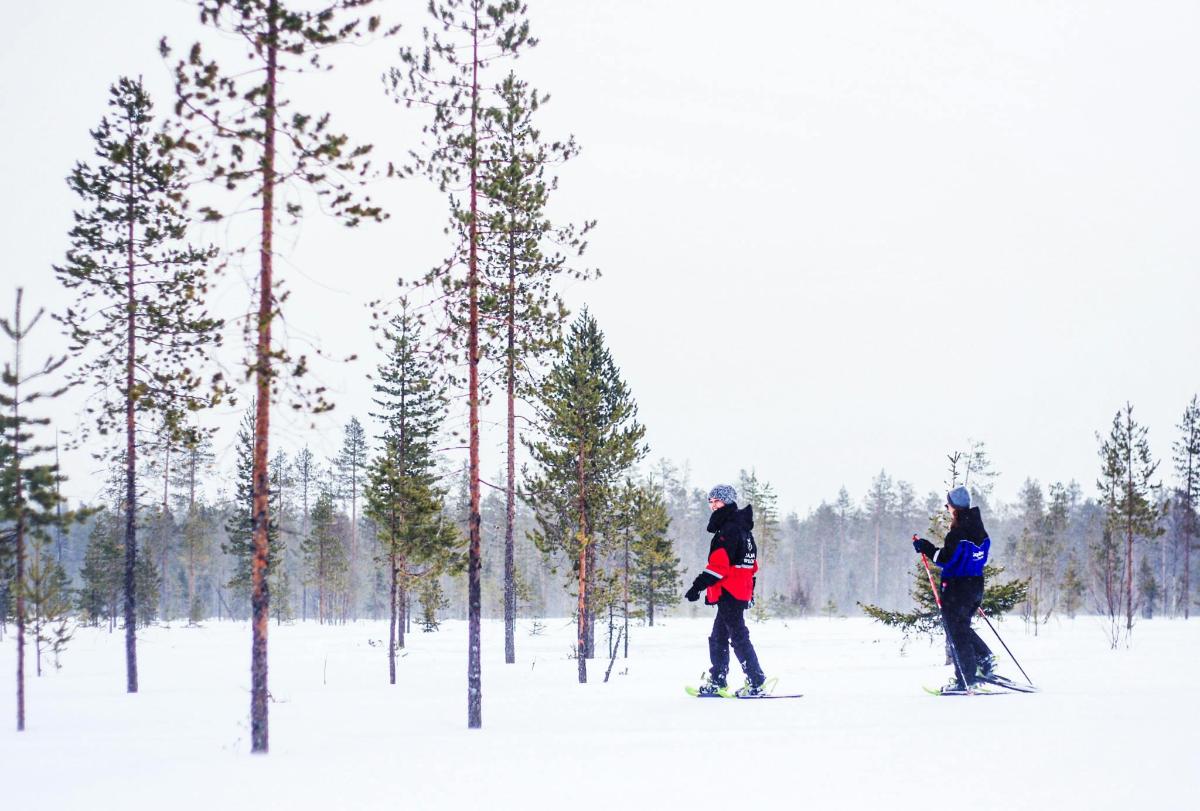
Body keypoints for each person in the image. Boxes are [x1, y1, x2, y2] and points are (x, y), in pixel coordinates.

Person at [912, 485, 996, 693]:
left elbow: (945, 559)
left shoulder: (958, 533)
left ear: (954, 507)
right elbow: (979, 557)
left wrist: (926, 547)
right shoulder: (979, 529)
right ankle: (984, 658)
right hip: (975, 586)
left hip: (958, 588)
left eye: (948, 504)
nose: (947, 508)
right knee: (961, 628)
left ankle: (966, 678)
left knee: (956, 632)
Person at [685, 484, 766, 696]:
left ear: (728, 502)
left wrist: (697, 586)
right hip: (736, 592)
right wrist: (749, 590)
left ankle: (756, 681)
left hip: (729, 592)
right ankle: (718, 680)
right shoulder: (743, 529)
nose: (713, 506)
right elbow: (751, 565)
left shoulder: (729, 530)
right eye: (711, 502)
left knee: (738, 636)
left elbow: (719, 566)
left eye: (717, 501)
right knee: (718, 637)